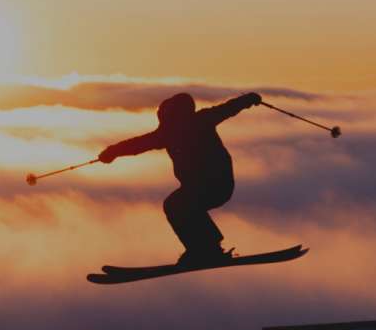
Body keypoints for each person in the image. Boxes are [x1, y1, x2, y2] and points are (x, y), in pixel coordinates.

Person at [99, 91, 261, 266]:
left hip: (216, 184)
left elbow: (228, 108)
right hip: (206, 187)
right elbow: (139, 144)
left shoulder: (200, 121)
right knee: (178, 205)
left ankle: (205, 249)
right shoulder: (172, 132)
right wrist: (113, 152)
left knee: (179, 204)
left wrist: (247, 99)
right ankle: (203, 249)